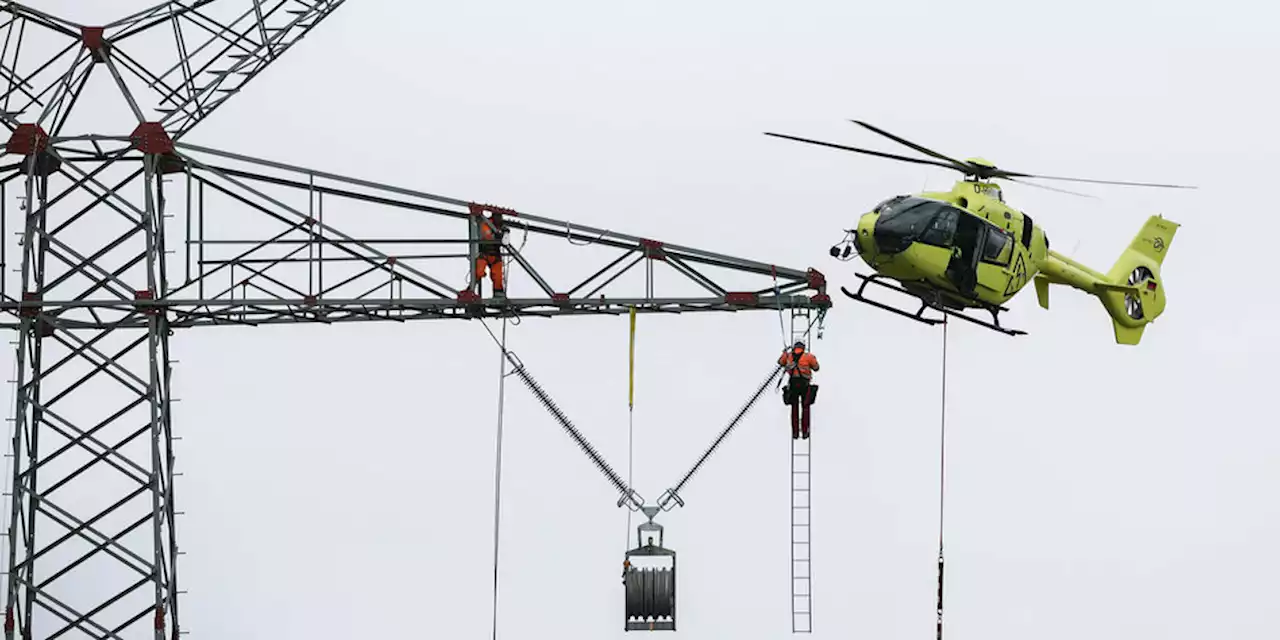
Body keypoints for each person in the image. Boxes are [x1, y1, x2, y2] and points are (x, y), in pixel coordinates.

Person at [778, 341, 819, 439]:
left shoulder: (788, 356)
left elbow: (780, 362)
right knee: (805, 407)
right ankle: (805, 432)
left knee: (794, 408)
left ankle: (795, 433)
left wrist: (784, 353)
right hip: (804, 384)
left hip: (793, 384)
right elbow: (816, 368)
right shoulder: (808, 356)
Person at [474, 209, 506, 298]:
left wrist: (504, 234)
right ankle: (471, 289)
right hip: (484, 253)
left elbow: (504, 241)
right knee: (478, 272)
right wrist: (496, 236)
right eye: (498, 216)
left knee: (498, 275)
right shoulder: (486, 223)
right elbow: (485, 236)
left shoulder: (501, 226)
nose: (499, 218)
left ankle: (498, 294)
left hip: (495, 254)